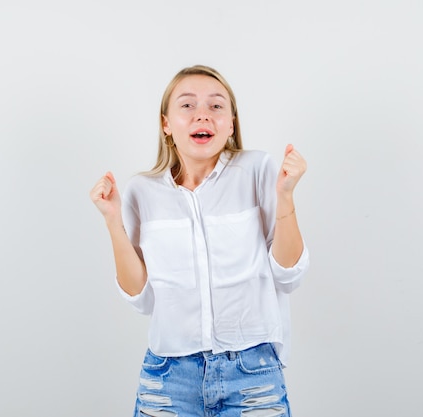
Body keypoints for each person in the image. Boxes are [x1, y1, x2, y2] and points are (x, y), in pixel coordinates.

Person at [90, 65, 309, 417]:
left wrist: (285, 196)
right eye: (187, 105)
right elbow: (141, 299)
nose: (202, 114)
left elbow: (289, 275)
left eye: (216, 106)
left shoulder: (258, 170)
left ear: (232, 124)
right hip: (168, 377)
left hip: (252, 374)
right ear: (166, 124)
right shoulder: (141, 191)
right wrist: (113, 220)